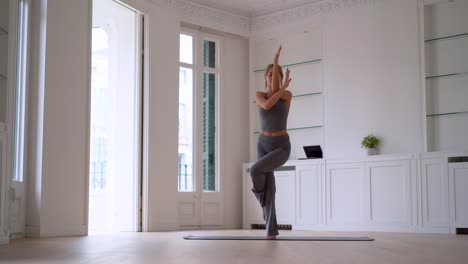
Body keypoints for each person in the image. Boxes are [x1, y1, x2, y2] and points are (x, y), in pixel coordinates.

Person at [250, 46, 292, 240]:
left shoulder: (286, 95)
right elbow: (267, 104)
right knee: (270, 187)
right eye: (268, 74)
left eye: (275, 74)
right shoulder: (260, 95)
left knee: (255, 170)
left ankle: (262, 201)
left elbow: (276, 92)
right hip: (263, 143)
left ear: (280, 78)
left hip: (281, 146)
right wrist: (279, 84)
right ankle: (271, 232)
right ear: (264, 78)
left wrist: (276, 63)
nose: (271, 76)